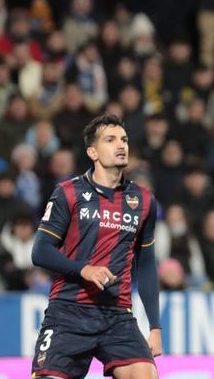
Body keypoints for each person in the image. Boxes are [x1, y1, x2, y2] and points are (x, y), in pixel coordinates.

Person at [30, 114, 162, 378]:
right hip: (68, 311)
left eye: (123, 139)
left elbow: (146, 263)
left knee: (146, 374)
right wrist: (84, 270)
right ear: (92, 151)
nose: (121, 145)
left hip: (117, 314)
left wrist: (155, 327)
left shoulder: (144, 200)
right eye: (110, 140)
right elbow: (40, 251)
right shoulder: (68, 193)